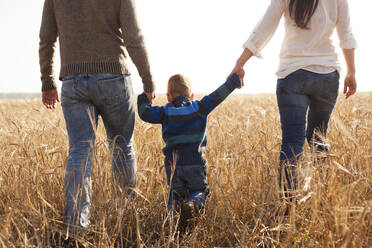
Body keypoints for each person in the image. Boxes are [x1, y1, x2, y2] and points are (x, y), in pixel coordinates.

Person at [38, 0, 155, 233]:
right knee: (122, 146)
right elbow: (134, 38)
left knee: (80, 151)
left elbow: (46, 40)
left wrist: (47, 81)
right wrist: (148, 80)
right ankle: (127, 218)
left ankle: (76, 227)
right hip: (114, 78)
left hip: (73, 81)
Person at [230, 0, 357, 198]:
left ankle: (289, 208)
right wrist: (351, 72)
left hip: (292, 75)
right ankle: (325, 200)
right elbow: (346, 33)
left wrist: (240, 62)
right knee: (318, 139)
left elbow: (265, 26)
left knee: (292, 143)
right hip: (327, 76)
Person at [137, 72, 243, 224]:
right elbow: (217, 96)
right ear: (191, 96)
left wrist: (144, 97)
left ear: (168, 97)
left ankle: (172, 220)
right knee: (200, 190)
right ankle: (194, 204)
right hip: (195, 163)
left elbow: (144, 113)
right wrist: (233, 82)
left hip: (173, 165)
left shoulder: (164, 112)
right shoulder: (199, 107)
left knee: (175, 194)